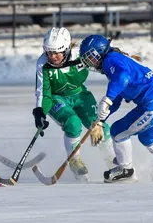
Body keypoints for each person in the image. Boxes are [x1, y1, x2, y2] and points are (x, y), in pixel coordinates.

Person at [79, 34, 153, 183]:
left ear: (100, 52)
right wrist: (100, 121)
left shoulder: (110, 61)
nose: (89, 62)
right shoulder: (117, 60)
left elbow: (122, 78)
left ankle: (126, 170)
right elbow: (117, 100)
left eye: (90, 57)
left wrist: (107, 98)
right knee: (148, 137)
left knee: (118, 131)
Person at [33, 27, 116, 182]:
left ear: (66, 49)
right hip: (56, 98)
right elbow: (43, 92)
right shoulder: (43, 64)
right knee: (73, 122)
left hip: (80, 95)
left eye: (57, 52)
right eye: (49, 52)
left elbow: (105, 61)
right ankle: (75, 160)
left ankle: (112, 161)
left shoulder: (81, 55)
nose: (52, 57)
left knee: (99, 125)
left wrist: (124, 63)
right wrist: (40, 112)